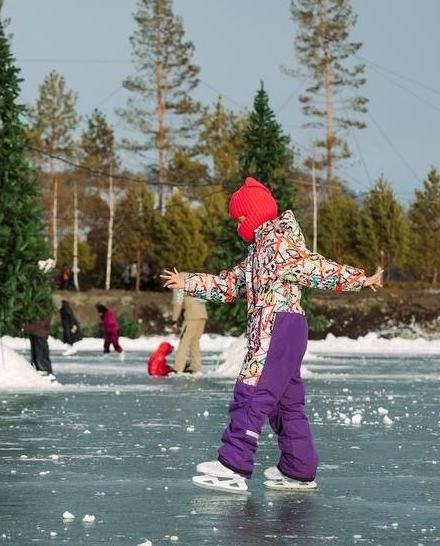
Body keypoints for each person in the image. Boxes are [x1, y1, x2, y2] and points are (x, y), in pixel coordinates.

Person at [162, 177, 383, 494]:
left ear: (255, 213)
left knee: (251, 391)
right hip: (284, 328)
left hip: (276, 326)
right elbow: (229, 286)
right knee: (286, 402)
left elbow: (316, 268)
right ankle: (298, 468)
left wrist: (360, 279)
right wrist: (188, 282)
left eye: (240, 218)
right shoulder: (258, 252)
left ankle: (234, 463)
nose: (238, 224)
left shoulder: (279, 246)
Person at [169, 287, 208, 374]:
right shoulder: (193, 280)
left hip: (192, 316)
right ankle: (195, 366)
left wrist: (174, 319)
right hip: (203, 315)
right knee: (194, 341)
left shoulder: (178, 284)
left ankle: (178, 368)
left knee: (184, 341)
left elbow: (178, 302)